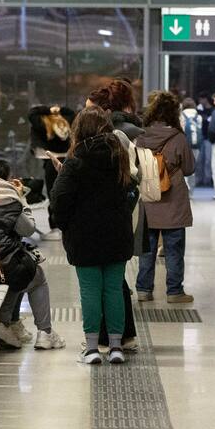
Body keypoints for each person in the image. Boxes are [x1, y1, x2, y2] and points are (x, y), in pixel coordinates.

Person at [50, 105, 134, 364]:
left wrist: (64, 224)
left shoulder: (76, 161)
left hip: (85, 236)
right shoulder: (118, 157)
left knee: (89, 291)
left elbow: (60, 200)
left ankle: (92, 349)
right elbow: (129, 192)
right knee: (114, 290)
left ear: (80, 130)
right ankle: (117, 347)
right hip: (117, 234)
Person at [0, 159, 65, 350]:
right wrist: (22, 199)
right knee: (35, 276)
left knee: (20, 267)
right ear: (2, 179)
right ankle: (44, 333)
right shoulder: (8, 198)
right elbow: (28, 229)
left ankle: (10, 325)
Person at [85, 78, 142, 350]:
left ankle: (111, 337)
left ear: (104, 111)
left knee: (109, 280)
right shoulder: (127, 130)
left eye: (89, 110)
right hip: (121, 213)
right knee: (114, 277)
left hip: (112, 215)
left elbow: (123, 178)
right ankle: (121, 335)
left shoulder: (115, 136)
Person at [135, 91, 195, 304]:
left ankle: (143, 289)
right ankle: (174, 291)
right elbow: (189, 168)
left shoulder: (140, 136)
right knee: (174, 250)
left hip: (148, 197)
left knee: (147, 249)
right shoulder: (178, 137)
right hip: (173, 201)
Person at [28, 104, 75, 241]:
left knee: (53, 193)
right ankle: (65, 225)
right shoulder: (66, 123)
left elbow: (32, 113)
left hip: (50, 159)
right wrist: (59, 109)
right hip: (66, 157)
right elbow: (71, 112)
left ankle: (55, 226)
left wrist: (48, 110)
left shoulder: (42, 124)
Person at [180, 97, 203, 193]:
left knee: (183, 166)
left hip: (184, 144)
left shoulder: (181, 115)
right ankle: (191, 190)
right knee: (192, 167)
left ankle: (185, 188)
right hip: (196, 145)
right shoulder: (198, 117)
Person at [196, 92, 214, 187]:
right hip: (200, 137)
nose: (199, 101)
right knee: (199, 160)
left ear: (205, 99)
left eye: (201, 99)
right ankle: (199, 180)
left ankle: (207, 180)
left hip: (208, 138)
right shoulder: (199, 110)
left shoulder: (212, 110)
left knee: (208, 160)